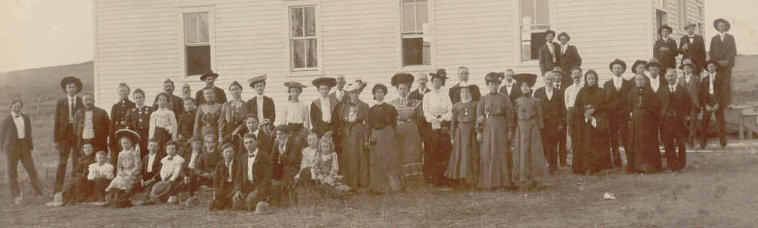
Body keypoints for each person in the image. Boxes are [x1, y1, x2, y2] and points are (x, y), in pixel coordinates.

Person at [2, 100, 44, 205]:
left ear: (21, 107)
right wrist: (4, 148)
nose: (17, 108)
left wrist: (29, 145)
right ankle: (16, 195)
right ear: (10, 107)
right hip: (12, 149)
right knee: (12, 173)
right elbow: (1, 136)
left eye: (19, 106)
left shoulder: (26, 117)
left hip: (24, 147)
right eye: (15, 106)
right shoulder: (6, 120)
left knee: (31, 170)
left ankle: (39, 193)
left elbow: (29, 132)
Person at [511, 73, 547, 190]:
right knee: (521, 152)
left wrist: (537, 128)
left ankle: (534, 179)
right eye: (522, 86)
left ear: (530, 87)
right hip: (521, 129)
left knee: (533, 152)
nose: (524, 88)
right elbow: (514, 117)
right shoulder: (517, 101)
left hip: (532, 128)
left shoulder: (536, 101)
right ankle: (521, 179)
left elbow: (540, 117)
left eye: (526, 86)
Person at [573, 70, 613, 175]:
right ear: (586, 79)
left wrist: (594, 110)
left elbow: (605, 105)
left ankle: (597, 166)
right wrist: (585, 111)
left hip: (597, 122)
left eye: (593, 78)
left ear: (596, 80)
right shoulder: (582, 91)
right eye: (589, 78)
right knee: (585, 144)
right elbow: (576, 106)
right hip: (584, 122)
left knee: (597, 144)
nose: (591, 80)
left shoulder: (601, 91)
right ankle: (586, 167)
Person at [333, 82, 370, 189]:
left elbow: (367, 123)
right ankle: (347, 183)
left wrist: (366, 139)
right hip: (346, 133)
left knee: (358, 157)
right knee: (347, 157)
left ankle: (360, 183)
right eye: (352, 93)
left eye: (356, 93)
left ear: (359, 94)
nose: (354, 95)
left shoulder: (364, 105)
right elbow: (341, 119)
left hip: (358, 133)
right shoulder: (344, 105)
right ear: (349, 94)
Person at [390, 73, 424, 187]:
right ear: (397, 90)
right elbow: (390, 119)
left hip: (412, 132)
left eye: (405, 89)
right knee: (401, 153)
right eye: (400, 89)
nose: (403, 91)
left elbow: (420, 118)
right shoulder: (392, 103)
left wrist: (412, 124)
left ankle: (414, 179)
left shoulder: (414, 102)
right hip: (399, 131)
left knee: (412, 153)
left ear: (408, 90)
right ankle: (402, 179)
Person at [367, 83, 402, 193]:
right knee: (376, 159)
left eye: (381, 92)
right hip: (376, 135)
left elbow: (394, 124)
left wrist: (394, 136)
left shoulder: (390, 108)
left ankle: (392, 186)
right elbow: (369, 125)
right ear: (374, 94)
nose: (379, 94)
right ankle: (378, 187)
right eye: (377, 92)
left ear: (384, 94)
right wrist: (370, 139)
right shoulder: (370, 109)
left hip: (388, 135)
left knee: (389, 158)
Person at [53, 76, 84, 198]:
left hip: (77, 135)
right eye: (68, 87)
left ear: (77, 89)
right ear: (65, 89)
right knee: (62, 163)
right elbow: (57, 122)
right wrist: (56, 140)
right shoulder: (61, 103)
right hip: (64, 137)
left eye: (73, 87)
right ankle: (57, 190)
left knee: (77, 162)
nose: (71, 89)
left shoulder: (82, 101)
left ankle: (74, 189)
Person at [422, 71, 454, 186]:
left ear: (442, 83)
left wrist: (444, 118)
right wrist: (434, 119)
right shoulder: (427, 95)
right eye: (435, 81)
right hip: (432, 125)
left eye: (439, 81)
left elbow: (451, 109)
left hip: (444, 124)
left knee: (444, 150)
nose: (437, 83)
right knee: (432, 150)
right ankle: (432, 178)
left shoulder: (445, 95)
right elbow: (425, 111)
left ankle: (443, 177)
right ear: (432, 82)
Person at [445, 83, 479, 187]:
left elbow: (477, 119)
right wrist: (452, 136)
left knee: (470, 153)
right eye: (463, 92)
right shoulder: (456, 106)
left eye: (467, 92)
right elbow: (453, 122)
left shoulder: (475, 104)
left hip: (471, 132)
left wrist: (477, 130)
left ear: (470, 93)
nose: (465, 94)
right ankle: (460, 178)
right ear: (460, 95)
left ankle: (471, 178)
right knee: (460, 154)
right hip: (460, 132)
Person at [626, 74, 662, 174]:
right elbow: (628, 106)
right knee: (636, 142)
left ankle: (648, 166)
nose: (639, 81)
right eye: (637, 79)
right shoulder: (631, 93)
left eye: (641, 79)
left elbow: (655, 105)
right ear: (635, 81)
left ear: (645, 81)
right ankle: (635, 166)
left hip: (648, 122)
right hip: (635, 122)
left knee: (647, 142)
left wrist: (647, 111)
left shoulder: (650, 92)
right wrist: (632, 114)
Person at [534, 71, 565, 174]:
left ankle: (553, 167)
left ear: (554, 80)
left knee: (553, 145)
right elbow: (535, 108)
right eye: (547, 79)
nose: (549, 81)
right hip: (542, 123)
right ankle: (542, 167)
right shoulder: (538, 92)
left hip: (554, 124)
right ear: (544, 80)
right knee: (542, 145)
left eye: (551, 79)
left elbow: (562, 109)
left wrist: (561, 123)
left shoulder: (558, 92)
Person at [603, 59, 632, 169]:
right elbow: (605, 101)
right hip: (611, 116)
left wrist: (628, 113)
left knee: (626, 138)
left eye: (619, 67)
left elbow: (629, 100)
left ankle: (630, 160)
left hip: (624, 116)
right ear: (612, 69)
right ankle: (617, 162)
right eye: (615, 67)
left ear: (623, 69)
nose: (617, 70)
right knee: (613, 139)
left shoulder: (628, 84)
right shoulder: (607, 84)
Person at [660, 69, 691, 172]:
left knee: (681, 143)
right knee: (668, 143)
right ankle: (671, 165)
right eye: (668, 76)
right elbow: (659, 106)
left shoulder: (683, 90)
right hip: (667, 121)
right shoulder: (662, 91)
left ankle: (681, 165)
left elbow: (688, 105)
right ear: (665, 77)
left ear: (676, 76)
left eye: (672, 76)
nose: (670, 78)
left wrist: (686, 117)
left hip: (679, 121)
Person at [232, 136, 272, 211]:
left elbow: (267, 177)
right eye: (246, 143)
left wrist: (257, 190)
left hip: (261, 187)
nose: (248, 145)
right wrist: (238, 190)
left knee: (251, 202)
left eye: (251, 142)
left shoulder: (265, 156)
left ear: (256, 142)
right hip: (247, 187)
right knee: (236, 203)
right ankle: (250, 203)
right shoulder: (242, 158)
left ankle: (263, 202)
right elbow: (238, 176)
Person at [104, 129, 142, 208]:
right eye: (123, 143)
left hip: (133, 174)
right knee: (116, 181)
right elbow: (119, 166)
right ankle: (114, 198)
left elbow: (138, 166)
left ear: (131, 143)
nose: (125, 145)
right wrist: (120, 172)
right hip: (123, 173)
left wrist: (129, 173)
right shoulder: (120, 154)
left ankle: (121, 198)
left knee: (126, 181)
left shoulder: (135, 153)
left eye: (127, 143)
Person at [271, 125, 303, 205]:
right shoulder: (277, 142)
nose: (278, 136)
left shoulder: (294, 143)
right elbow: (272, 158)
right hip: (281, 167)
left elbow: (290, 161)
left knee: (287, 169)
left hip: (293, 167)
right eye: (277, 135)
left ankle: (288, 194)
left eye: (280, 134)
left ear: (287, 134)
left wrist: (281, 151)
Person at [699, 60, 728, 148]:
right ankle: (703, 143)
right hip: (708, 102)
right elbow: (702, 94)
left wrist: (718, 103)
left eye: (712, 66)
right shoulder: (704, 79)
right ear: (707, 68)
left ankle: (723, 143)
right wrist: (706, 105)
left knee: (720, 122)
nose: (710, 68)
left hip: (717, 101)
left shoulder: (721, 77)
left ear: (715, 67)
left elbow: (723, 92)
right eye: (709, 67)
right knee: (705, 123)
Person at [709, 18, 737, 105]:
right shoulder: (714, 38)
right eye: (719, 26)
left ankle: (727, 101)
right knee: (718, 82)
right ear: (717, 27)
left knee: (726, 82)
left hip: (727, 64)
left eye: (722, 25)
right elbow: (711, 52)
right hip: (717, 65)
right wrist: (716, 62)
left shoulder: (730, 37)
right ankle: (719, 101)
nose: (721, 27)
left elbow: (734, 51)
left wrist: (727, 60)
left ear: (725, 27)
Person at [207, 142, 239, 211]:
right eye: (226, 152)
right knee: (219, 198)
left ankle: (228, 203)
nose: (228, 154)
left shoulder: (238, 163)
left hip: (234, 186)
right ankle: (221, 203)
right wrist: (215, 191)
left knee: (234, 202)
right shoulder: (220, 164)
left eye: (230, 152)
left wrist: (237, 190)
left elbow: (239, 178)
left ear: (234, 153)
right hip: (223, 187)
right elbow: (216, 180)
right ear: (222, 154)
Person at [679, 59, 702, 147]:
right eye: (685, 68)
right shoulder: (680, 79)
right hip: (683, 104)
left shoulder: (696, 78)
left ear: (691, 69)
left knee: (693, 121)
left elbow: (699, 92)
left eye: (688, 68)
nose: (687, 70)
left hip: (693, 104)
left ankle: (692, 139)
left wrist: (699, 103)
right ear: (683, 70)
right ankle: (685, 139)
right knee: (684, 122)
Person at [126, 88, 154, 159]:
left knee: (149, 157)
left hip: (148, 137)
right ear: (133, 99)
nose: (138, 100)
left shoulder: (150, 110)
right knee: (137, 158)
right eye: (136, 98)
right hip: (136, 138)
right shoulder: (130, 111)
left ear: (144, 98)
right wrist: (133, 141)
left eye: (140, 97)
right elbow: (128, 128)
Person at [564, 67, 584, 161]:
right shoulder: (568, 90)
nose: (576, 76)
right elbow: (566, 104)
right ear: (571, 76)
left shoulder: (583, 88)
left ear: (581, 75)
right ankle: (573, 157)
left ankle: (581, 157)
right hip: (571, 114)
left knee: (581, 135)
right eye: (574, 74)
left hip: (581, 114)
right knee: (571, 135)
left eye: (578, 74)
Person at [109, 83, 135, 153]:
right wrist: (111, 137)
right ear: (118, 92)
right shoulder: (115, 107)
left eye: (125, 91)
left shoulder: (133, 105)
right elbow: (112, 123)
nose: (123, 93)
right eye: (121, 91)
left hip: (129, 132)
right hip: (118, 133)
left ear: (128, 92)